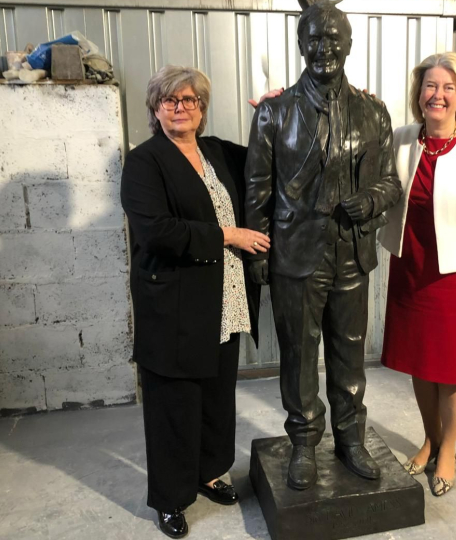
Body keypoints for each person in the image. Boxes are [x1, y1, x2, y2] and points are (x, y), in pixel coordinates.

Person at [244, 1, 402, 491]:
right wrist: (260, 256)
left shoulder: (373, 111)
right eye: (314, 39)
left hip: (351, 253)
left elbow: (393, 181)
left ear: (350, 46)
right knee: (298, 354)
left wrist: (373, 198)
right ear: (299, 46)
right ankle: (303, 444)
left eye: (334, 39)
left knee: (349, 351)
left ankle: (350, 438)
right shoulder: (274, 112)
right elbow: (257, 190)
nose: (324, 48)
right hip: (297, 254)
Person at [120, 65, 276, 539]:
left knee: (216, 395)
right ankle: (170, 498)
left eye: (189, 100)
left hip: (224, 300)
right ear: (155, 108)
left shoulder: (219, 153)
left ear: (202, 108)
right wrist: (228, 234)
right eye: (170, 101)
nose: (180, 107)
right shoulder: (145, 161)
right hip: (175, 303)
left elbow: (270, 162)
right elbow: (155, 231)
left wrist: (274, 114)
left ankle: (210, 472)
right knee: (174, 403)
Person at [378, 52, 456, 498]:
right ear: (420, 94)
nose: (438, 94)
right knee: (420, 362)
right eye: (431, 86)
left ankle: (448, 448)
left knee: (451, 368)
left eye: (448, 87)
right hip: (410, 266)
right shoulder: (400, 140)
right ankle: (429, 437)